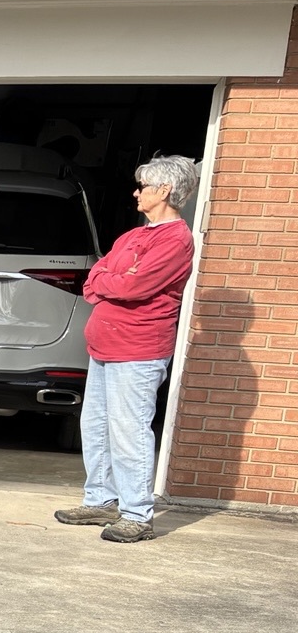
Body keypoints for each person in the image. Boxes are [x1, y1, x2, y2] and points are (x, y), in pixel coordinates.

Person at [54, 155, 199, 543]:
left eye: (143, 186)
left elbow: (133, 287)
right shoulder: (133, 237)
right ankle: (101, 500)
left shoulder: (175, 239)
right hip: (104, 346)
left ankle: (137, 514)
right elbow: (94, 280)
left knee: (129, 431)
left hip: (138, 350)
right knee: (97, 427)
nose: (136, 193)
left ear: (164, 190)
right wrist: (112, 277)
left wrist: (113, 279)